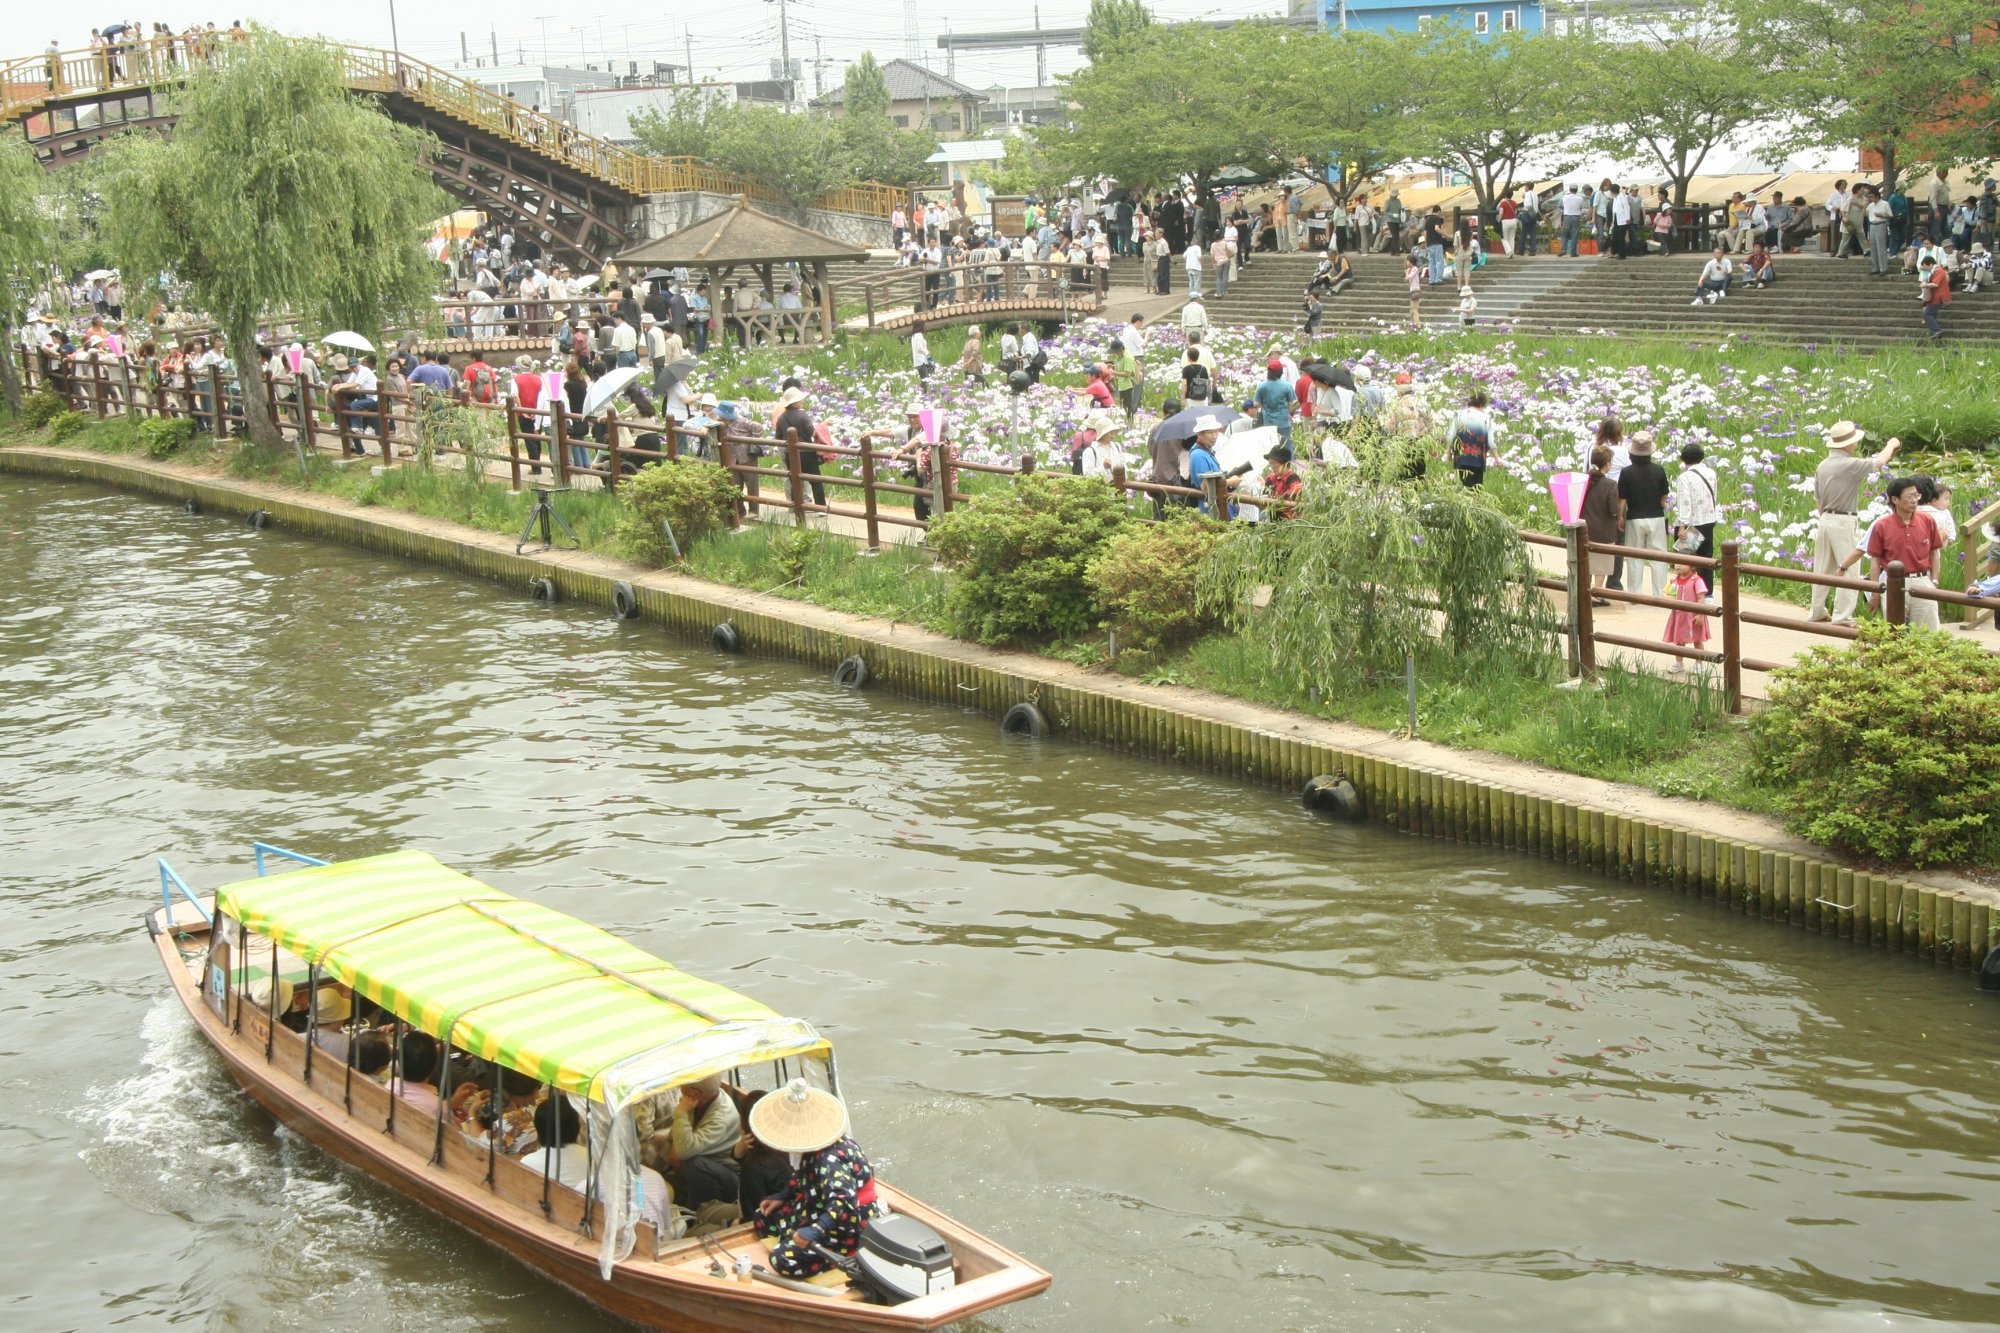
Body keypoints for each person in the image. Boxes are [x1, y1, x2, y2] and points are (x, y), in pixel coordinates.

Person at [749, 1079, 878, 1280]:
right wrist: (783, 1196)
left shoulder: (829, 1160)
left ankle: (842, 1254)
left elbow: (843, 1201)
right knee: (762, 1217)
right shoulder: (810, 1151)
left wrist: (816, 1230)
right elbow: (801, 1177)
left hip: (845, 1222)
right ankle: (797, 1239)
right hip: (816, 1205)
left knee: (782, 1259)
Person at [1809, 420, 1901, 624]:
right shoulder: (1848, 464)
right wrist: (1892, 444)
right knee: (1849, 568)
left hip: (1825, 518)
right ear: (1846, 444)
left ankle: (1817, 610)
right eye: (1854, 442)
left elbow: (1818, 499)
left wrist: (1824, 517)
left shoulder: (1823, 465)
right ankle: (1842, 616)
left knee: (1822, 567)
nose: (1856, 445)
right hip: (1844, 519)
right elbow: (1879, 462)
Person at [1849, 476, 1946, 630]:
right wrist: (1875, 592)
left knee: (1929, 632)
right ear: (1895, 499)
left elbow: (1935, 553)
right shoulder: (1882, 525)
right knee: (1894, 632)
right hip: (1892, 584)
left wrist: (1934, 581)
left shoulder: (1927, 520)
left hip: (1922, 581)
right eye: (1909, 496)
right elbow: (1875, 561)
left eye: (1916, 495)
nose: (1915, 500)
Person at [647, 1074, 742, 1212]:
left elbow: (683, 1151)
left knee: (695, 1164)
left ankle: (697, 1211)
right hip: (701, 1154)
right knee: (656, 1143)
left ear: (695, 1093)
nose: (680, 1088)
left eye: (683, 1085)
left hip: (727, 1176)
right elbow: (678, 1141)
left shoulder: (720, 1120)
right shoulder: (702, 1100)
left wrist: (681, 1112)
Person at [1617, 430, 1672, 598]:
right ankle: (1659, 594)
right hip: (1656, 516)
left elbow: (1623, 499)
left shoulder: (1626, 472)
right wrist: (1661, 503)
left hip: (1634, 517)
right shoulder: (1658, 470)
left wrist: (1620, 517)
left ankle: (1634, 593)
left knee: (1635, 556)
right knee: (1658, 556)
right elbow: (1664, 495)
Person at [1670, 441, 1721, 593]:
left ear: (1683, 459)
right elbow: (1715, 495)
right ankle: (1707, 592)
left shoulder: (1685, 477)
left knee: (1686, 559)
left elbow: (1685, 502)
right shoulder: (1711, 473)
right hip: (1709, 520)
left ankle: (1685, 591)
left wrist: (1681, 526)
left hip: (1692, 524)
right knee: (1706, 558)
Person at [1580, 444, 1622, 606]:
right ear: (1608, 464)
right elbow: (1613, 509)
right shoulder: (1610, 484)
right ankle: (1596, 594)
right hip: (1604, 530)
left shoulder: (1582, 480)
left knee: (1585, 562)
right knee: (1602, 564)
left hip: (1583, 528)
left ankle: (1584, 592)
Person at [773, 386, 825, 508]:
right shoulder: (802, 416)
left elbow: (779, 437)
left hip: (789, 453)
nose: (802, 401)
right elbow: (811, 433)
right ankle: (820, 507)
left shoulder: (781, 418)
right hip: (806, 452)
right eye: (800, 400)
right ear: (795, 402)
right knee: (815, 480)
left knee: (795, 480)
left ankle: (796, 506)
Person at [1662, 559, 1711, 671]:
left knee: (1697, 640)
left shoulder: (1696, 580)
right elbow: (1668, 592)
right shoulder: (1674, 580)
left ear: (1692, 566)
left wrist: (1700, 614)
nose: (1678, 565)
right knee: (1679, 641)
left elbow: (1700, 598)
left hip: (1693, 615)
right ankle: (1679, 663)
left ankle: (1699, 663)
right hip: (1679, 615)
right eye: (1676, 562)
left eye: (1683, 563)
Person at [1449, 385, 1497, 487]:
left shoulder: (1459, 415)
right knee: (1476, 487)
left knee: (1465, 485)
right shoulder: (1485, 418)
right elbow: (1491, 442)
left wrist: (1448, 453)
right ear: (1482, 404)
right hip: (1478, 459)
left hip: (1461, 457)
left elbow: (1451, 436)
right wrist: (1497, 458)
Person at [1253, 359, 1296, 449]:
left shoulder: (1262, 386)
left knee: (1270, 448)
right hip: (1283, 422)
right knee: (1286, 447)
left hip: (1268, 422)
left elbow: (1256, 404)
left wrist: (1264, 404)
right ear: (1280, 372)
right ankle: (1287, 463)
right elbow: (1291, 406)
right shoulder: (1286, 386)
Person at [1919, 255, 1951, 341]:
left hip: (1938, 296)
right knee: (1932, 314)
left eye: (1925, 266)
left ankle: (1937, 331)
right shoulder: (1934, 271)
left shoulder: (1939, 271)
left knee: (1927, 314)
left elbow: (1935, 284)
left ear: (1930, 264)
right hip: (1935, 296)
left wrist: (1924, 285)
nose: (1924, 268)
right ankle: (1935, 334)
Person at [1405, 252, 1424, 330]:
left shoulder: (1415, 269)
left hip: (1415, 290)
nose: (1406, 262)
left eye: (1408, 261)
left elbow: (1408, 277)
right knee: (1411, 310)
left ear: (1411, 262)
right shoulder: (1410, 269)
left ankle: (1417, 325)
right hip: (1412, 290)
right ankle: (1413, 324)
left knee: (1414, 309)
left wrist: (1406, 273)